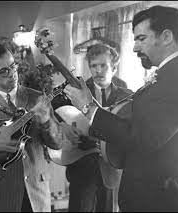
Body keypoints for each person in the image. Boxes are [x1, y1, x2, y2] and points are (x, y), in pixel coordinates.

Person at [64, 5, 178, 212]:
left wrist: (89, 107)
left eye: (141, 39)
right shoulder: (168, 74)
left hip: (159, 201)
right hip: (145, 196)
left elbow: (144, 138)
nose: (135, 47)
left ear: (166, 37)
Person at [0, 44, 66, 212]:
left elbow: (58, 143)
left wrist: (46, 121)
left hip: (36, 195)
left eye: (13, 66)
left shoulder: (37, 98)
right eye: (3, 71)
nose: (12, 74)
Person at [61, 41, 133, 212]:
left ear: (114, 68)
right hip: (81, 166)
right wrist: (63, 125)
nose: (98, 70)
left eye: (103, 65)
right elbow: (52, 112)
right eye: (93, 66)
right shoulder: (75, 91)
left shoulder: (129, 97)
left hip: (112, 169)